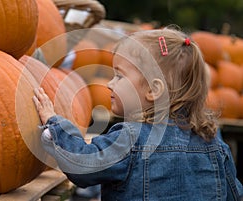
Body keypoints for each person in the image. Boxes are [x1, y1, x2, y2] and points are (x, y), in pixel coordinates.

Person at [32, 26, 243, 201]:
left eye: (119, 76)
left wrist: (54, 123)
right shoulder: (213, 141)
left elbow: (81, 164)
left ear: (153, 90)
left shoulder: (130, 139)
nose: (110, 84)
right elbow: (234, 194)